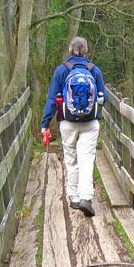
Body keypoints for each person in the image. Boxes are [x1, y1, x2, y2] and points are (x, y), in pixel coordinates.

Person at [41, 36, 107, 217]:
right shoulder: (94, 71)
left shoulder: (62, 71)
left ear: (70, 50)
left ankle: (74, 197)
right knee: (86, 159)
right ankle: (87, 197)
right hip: (90, 122)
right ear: (86, 51)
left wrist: (45, 123)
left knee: (71, 158)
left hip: (67, 122)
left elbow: (52, 99)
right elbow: (104, 98)